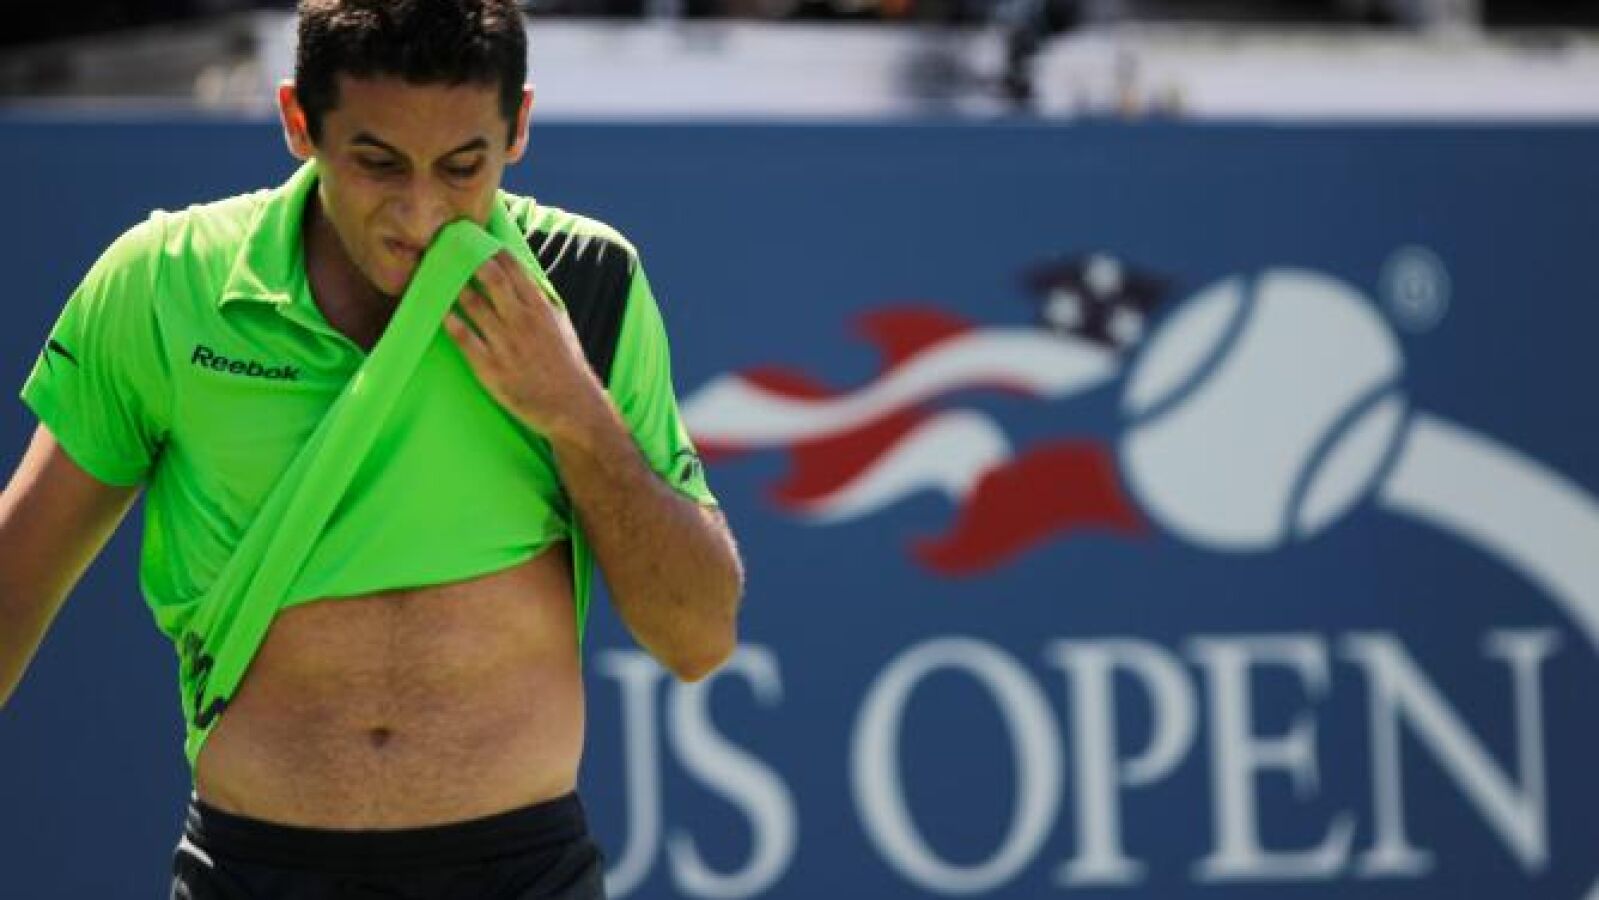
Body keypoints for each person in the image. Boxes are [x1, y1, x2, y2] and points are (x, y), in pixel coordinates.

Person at [0, 0, 744, 896]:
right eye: (378, 163)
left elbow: (698, 637)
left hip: (521, 876)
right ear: (298, 122)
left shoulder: (585, 283)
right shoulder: (160, 283)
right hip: (251, 872)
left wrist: (572, 408)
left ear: (517, 129)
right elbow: (12, 587)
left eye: (462, 166)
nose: (419, 213)